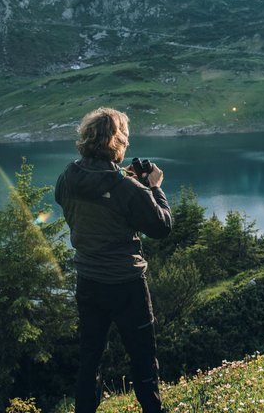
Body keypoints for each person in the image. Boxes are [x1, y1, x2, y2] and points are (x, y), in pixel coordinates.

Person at [55, 107, 172, 413]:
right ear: (116, 142)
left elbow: (71, 199)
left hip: (88, 281)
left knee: (90, 358)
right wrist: (154, 188)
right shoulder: (126, 188)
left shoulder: (68, 176)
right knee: (144, 359)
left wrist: (128, 185)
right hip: (126, 284)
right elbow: (161, 227)